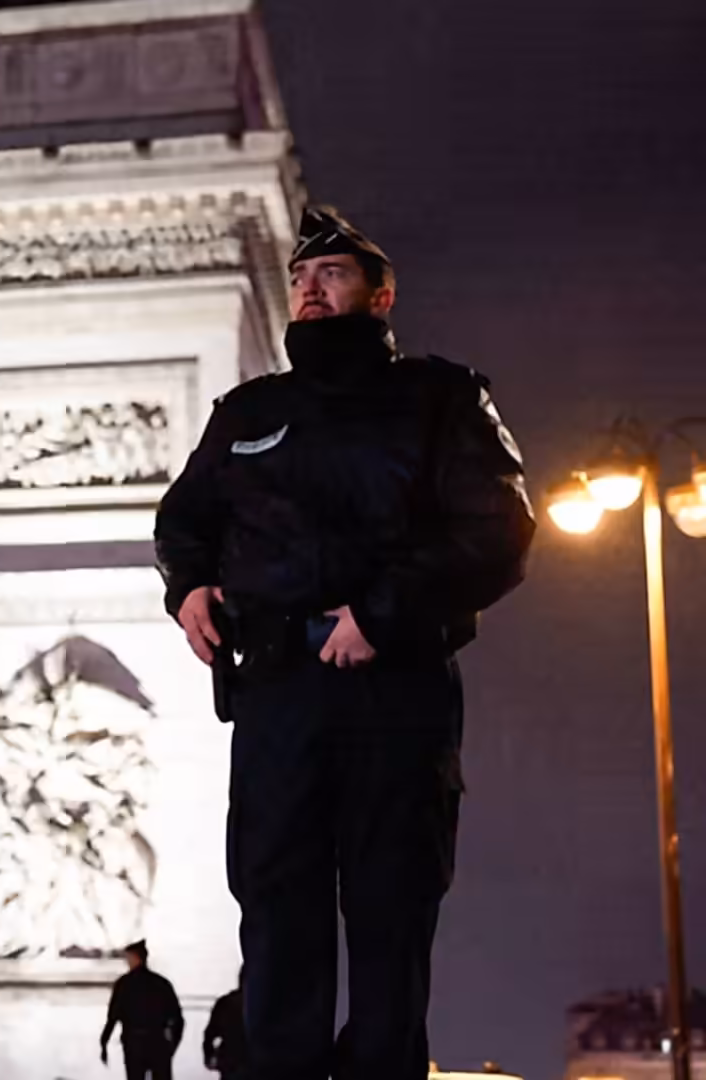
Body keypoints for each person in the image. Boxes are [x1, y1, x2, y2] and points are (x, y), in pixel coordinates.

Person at [154, 206, 535, 1080]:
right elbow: (184, 521)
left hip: (393, 690)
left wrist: (381, 615)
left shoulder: (442, 398)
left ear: (381, 294)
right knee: (274, 903)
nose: (310, 290)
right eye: (299, 279)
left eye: (331, 275)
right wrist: (189, 589)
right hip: (278, 689)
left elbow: (501, 531)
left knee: (390, 909)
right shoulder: (246, 411)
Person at [100, 941, 184, 1080]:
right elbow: (178, 1019)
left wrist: (104, 1042)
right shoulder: (161, 983)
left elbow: (113, 1017)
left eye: (128, 958)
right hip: (158, 1042)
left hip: (134, 1044)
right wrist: (172, 1045)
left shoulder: (124, 984)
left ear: (134, 957)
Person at [202, 975, 246, 1080]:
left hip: (230, 1061)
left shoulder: (226, 1002)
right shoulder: (266, 1003)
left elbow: (210, 1034)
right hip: (256, 1062)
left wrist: (209, 1055)